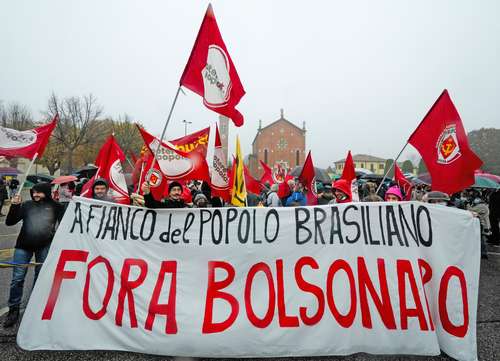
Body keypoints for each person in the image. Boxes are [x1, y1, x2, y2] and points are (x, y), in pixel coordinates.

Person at [3, 182, 64, 327]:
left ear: (46, 192)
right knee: (17, 278)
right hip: (23, 246)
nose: (35, 194)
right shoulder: (26, 205)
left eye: (39, 192)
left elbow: (64, 225)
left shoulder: (57, 207)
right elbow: (9, 222)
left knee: (41, 278)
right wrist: (14, 206)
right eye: (33, 192)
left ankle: (34, 308)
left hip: (44, 247)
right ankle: (14, 310)